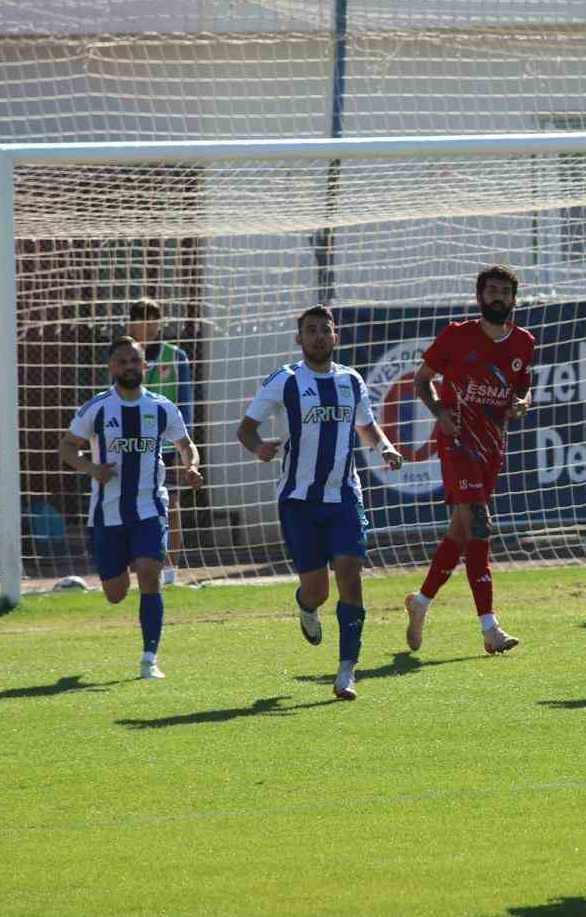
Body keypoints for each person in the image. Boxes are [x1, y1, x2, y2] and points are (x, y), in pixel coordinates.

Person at [236, 305, 404, 701]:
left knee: (349, 571)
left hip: (344, 494)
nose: (317, 337)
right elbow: (245, 429)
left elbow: (365, 424)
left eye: (323, 330)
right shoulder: (285, 380)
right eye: (309, 331)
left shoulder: (351, 380)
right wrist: (259, 448)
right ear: (299, 339)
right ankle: (306, 605)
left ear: (335, 337)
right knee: (318, 589)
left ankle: (347, 670)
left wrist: (385, 447)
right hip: (298, 500)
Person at [404, 265, 534, 656]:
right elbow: (421, 379)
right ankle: (490, 628)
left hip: (492, 447)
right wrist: (438, 414)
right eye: (490, 290)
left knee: (462, 532)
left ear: (514, 299)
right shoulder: (456, 335)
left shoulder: (525, 342)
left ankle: (421, 602)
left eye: (504, 291)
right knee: (479, 523)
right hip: (458, 443)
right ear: (479, 297)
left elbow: (522, 393)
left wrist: (521, 406)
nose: (497, 297)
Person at [58, 336, 202, 679]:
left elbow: (186, 445)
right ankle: (116, 573)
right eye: (122, 361)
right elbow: (66, 448)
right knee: (115, 593)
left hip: (150, 507)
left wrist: (192, 465)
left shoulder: (161, 406)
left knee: (150, 574)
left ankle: (149, 658)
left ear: (145, 366)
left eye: (135, 361)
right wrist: (93, 469)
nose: (129, 367)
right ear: (111, 367)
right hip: (107, 513)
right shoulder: (97, 408)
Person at [126, 298, 195, 588]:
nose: (149, 326)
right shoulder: (125, 357)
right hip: (134, 445)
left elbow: (186, 401)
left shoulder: (175, 356)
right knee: (132, 505)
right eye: (142, 319)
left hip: (168, 445)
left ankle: (171, 572)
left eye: (153, 320)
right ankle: (134, 566)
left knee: (173, 504)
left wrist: (185, 447)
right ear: (131, 323)